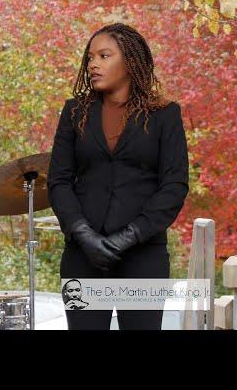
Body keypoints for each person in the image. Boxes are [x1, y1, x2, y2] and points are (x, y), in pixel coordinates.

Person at [48, 23, 189, 330]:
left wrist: (128, 237)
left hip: (143, 256)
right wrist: (83, 234)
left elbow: (174, 186)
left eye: (103, 55)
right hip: (82, 256)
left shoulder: (166, 114)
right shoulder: (74, 112)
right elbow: (58, 180)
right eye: (90, 58)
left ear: (129, 61)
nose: (92, 64)